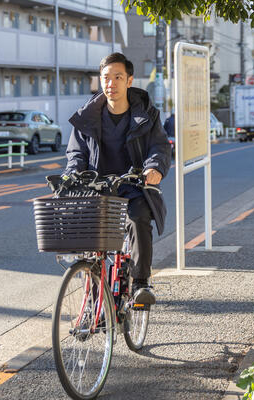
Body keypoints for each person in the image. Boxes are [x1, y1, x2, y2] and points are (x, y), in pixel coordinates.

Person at [64, 52, 171, 304]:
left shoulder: (147, 114)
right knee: (91, 247)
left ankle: (141, 284)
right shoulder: (87, 117)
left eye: (118, 77)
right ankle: (93, 305)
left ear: (129, 81)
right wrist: (72, 176)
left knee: (138, 219)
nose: (111, 83)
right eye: (106, 78)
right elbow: (75, 154)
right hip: (97, 189)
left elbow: (159, 146)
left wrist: (153, 168)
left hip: (133, 187)